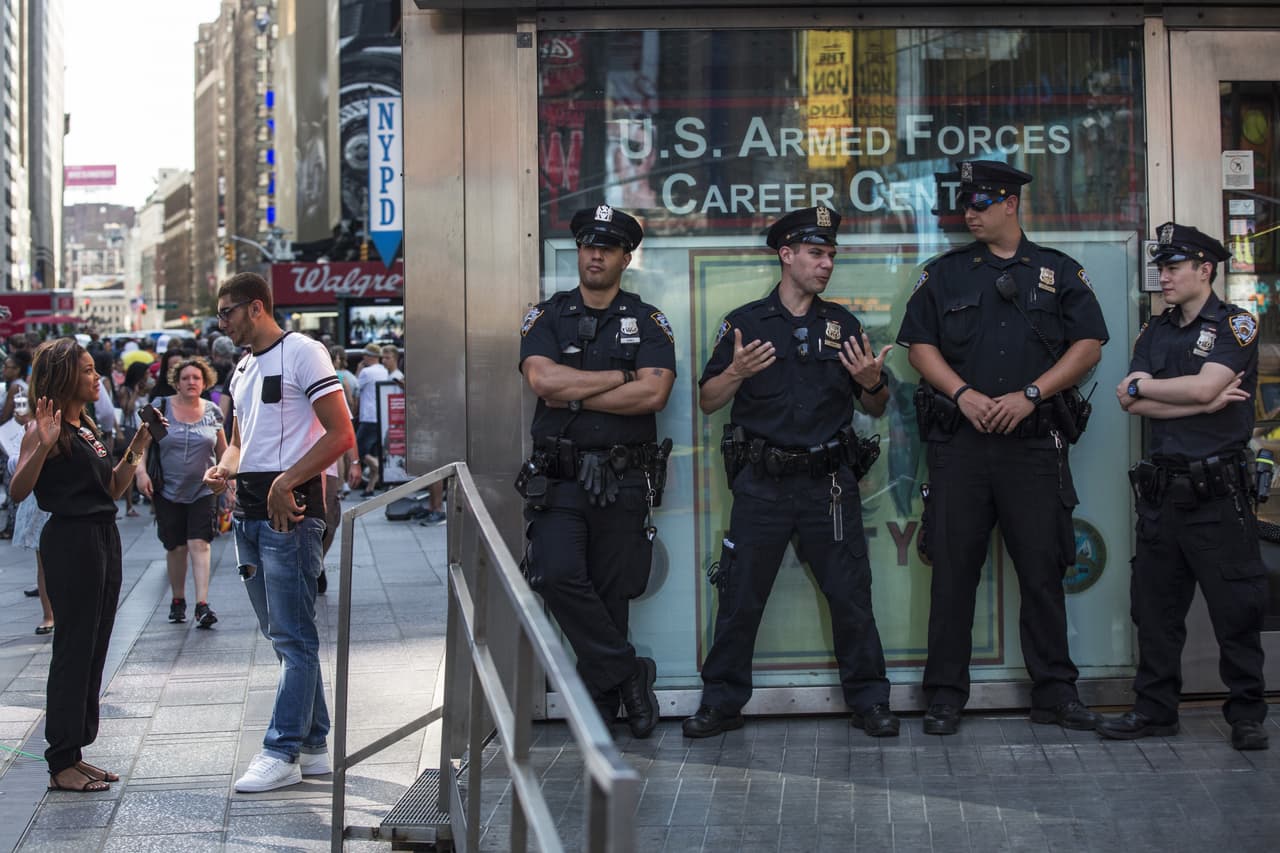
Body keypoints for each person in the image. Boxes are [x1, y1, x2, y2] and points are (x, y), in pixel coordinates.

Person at [895, 160, 1108, 735]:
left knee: (1041, 573)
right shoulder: (945, 274)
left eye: (981, 203)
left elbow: (1089, 344)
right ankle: (944, 696)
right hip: (961, 447)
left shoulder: (1057, 272)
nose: (970, 212)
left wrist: (1032, 395)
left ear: (1011, 204)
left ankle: (1055, 694)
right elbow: (918, 345)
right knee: (954, 573)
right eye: (966, 203)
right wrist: (961, 393)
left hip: (1032, 446)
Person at [683, 206, 898, 739]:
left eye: (831, 255)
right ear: (787, 255)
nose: (826, 264)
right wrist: (735, 371)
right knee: (739, 598)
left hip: (829, 485)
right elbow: (709, 401)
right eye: (816, 253)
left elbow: (875, 406)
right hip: (762, 486)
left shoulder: (842, 324)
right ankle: (722, 703)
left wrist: (872, 382)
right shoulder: (745, 324)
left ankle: (869, 701)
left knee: (851, 596)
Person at [1101, 223, 1268, 751]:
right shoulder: (1155, 330)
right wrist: (1200, 402)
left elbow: (1196, 383)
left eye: (1174, 267)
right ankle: (1155, 710)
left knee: (1235, 609)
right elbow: (1128, 399)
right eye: (1162, 267)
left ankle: (1246, 714)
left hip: (1218, 494)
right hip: (1162, 493)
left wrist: (1174, 391)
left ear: (1205, 270)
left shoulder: (1235, 324)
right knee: (1154, 610)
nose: (1164, 276)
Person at [518, 204, 674, 737]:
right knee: (555, 574)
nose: (596, 254)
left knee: (612, 595)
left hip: (624, 477)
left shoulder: (648, 320)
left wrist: (576, 392)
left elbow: (653, 393)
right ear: (579, 251)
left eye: (607, 247)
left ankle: (603, 706)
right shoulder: (546, 315)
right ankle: (630, 672)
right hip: (559, 480)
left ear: (626, 258)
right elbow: (542, 382)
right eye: (588, 245)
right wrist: (618, 378)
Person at [203, 272, 355, 792]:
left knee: (293, 636)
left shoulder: (303, 352)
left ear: (257, 307)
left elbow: (342, 433)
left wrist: (287, 481)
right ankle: (313, 745)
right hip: (248, 510)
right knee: (283, 636)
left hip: (291, 507)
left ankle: (281, 749)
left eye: (227, 312)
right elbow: (241, 439)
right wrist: (224, 467)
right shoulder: (242, 366)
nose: (221, 324)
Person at [10, 337, 158, 792]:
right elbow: (18, 491)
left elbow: (112, 487)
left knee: (95, 646)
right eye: (90, 370)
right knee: (73, 648)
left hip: (102, 537)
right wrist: (42, 446)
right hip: (71, 541)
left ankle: (75, 752)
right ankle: (60, 762)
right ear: (66, 376)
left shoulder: (88, 426)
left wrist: (140, 440)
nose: (98, 377)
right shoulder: (45, 427)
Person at [135, 356, 228, 629]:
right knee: (175, 546)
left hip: (203, 489)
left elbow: (223, 451)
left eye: (196, 378)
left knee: (200, 542)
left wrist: (228, 483)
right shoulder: (160, 408)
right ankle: (178, 599)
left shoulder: (213, 411)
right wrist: (140, 473)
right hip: (167, 490)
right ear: (176, 382)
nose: (191, 382)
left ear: (205, 382)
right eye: (186, 378)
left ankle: (202, 603)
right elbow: (141, 446)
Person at [116, 361, 153, 517]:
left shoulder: (146, 390)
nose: (148, 376)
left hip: (145, 432)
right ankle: (129, 504)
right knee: (130, 465)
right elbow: (127, 409)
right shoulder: (126, 390)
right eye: (145, 374)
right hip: (130, 432)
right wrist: (136, 394)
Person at [354, 342, 388, 497]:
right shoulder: (384, 370)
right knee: (370, 450)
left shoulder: (366, 372)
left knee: (358, 450)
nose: (363, 358)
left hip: (367, 416)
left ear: (371, 357)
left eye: (365, 355)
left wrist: (358, 371)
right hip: (379, 415)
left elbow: (356, 387)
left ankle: (379, 469)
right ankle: (371, 485)